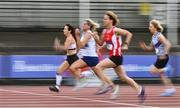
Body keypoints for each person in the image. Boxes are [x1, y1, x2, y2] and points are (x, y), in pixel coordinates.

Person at [92, 11, 145, 102]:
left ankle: (110, 86)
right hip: (114, 56)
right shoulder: (105, 31)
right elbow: (101, 43)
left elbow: (129, 34)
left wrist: (126, 44)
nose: (103, 20)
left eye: (105, 19)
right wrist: (96, 37)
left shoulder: (115, 30)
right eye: (103, 19)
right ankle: (140, 90)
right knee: (124, 77)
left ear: (111, 20)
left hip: (116, 56)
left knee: (97, 68)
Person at [70, 19, 115, 91]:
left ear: (89, 26)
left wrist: (77, 35)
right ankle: (112, 87)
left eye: (84, 24)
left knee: (73, 67)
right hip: (88, 57)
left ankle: (83, 80)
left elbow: (81, 45)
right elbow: (81, 46)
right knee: (100, 74)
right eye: (83, 24)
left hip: (90, 58)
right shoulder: (85, 34)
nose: (83, 25)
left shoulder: (88, 33)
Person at [139, 19, 176, 96]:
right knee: (162, 74)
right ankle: (170, 89)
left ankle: (167, 68)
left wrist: (164, 53)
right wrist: (145, 47)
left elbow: (168, 44)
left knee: (152, 71)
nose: (149, 28)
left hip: (163, 58)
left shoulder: (159, 35)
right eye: (149, 26)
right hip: (160, 57)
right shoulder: (154, 37)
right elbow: (151, 48)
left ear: (155, 27)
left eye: (151, 26)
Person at [49, 24, 80, 92]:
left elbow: (65, 48)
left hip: (73, 58)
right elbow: (67, 48)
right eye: (64, 29)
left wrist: (58, 45)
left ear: (69, 31)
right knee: (59, 71)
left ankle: (91, 72)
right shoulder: (68, 38)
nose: (63, 30)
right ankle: (57, 87)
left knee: (79, 76)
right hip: (70, 58)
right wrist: (58, 47)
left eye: (65, 29)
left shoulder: (69, 38)